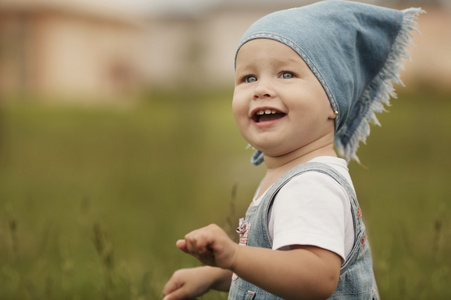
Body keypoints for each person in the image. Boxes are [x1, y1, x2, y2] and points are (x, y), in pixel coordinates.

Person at [162, 1, 422, 299]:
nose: (261, 88)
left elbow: (315, 277)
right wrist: (213, 273)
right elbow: (277, 261)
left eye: (286, 74)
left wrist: (235, 256)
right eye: (249, 77)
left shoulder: (311, 185)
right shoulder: (291, 175)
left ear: (332, 99)